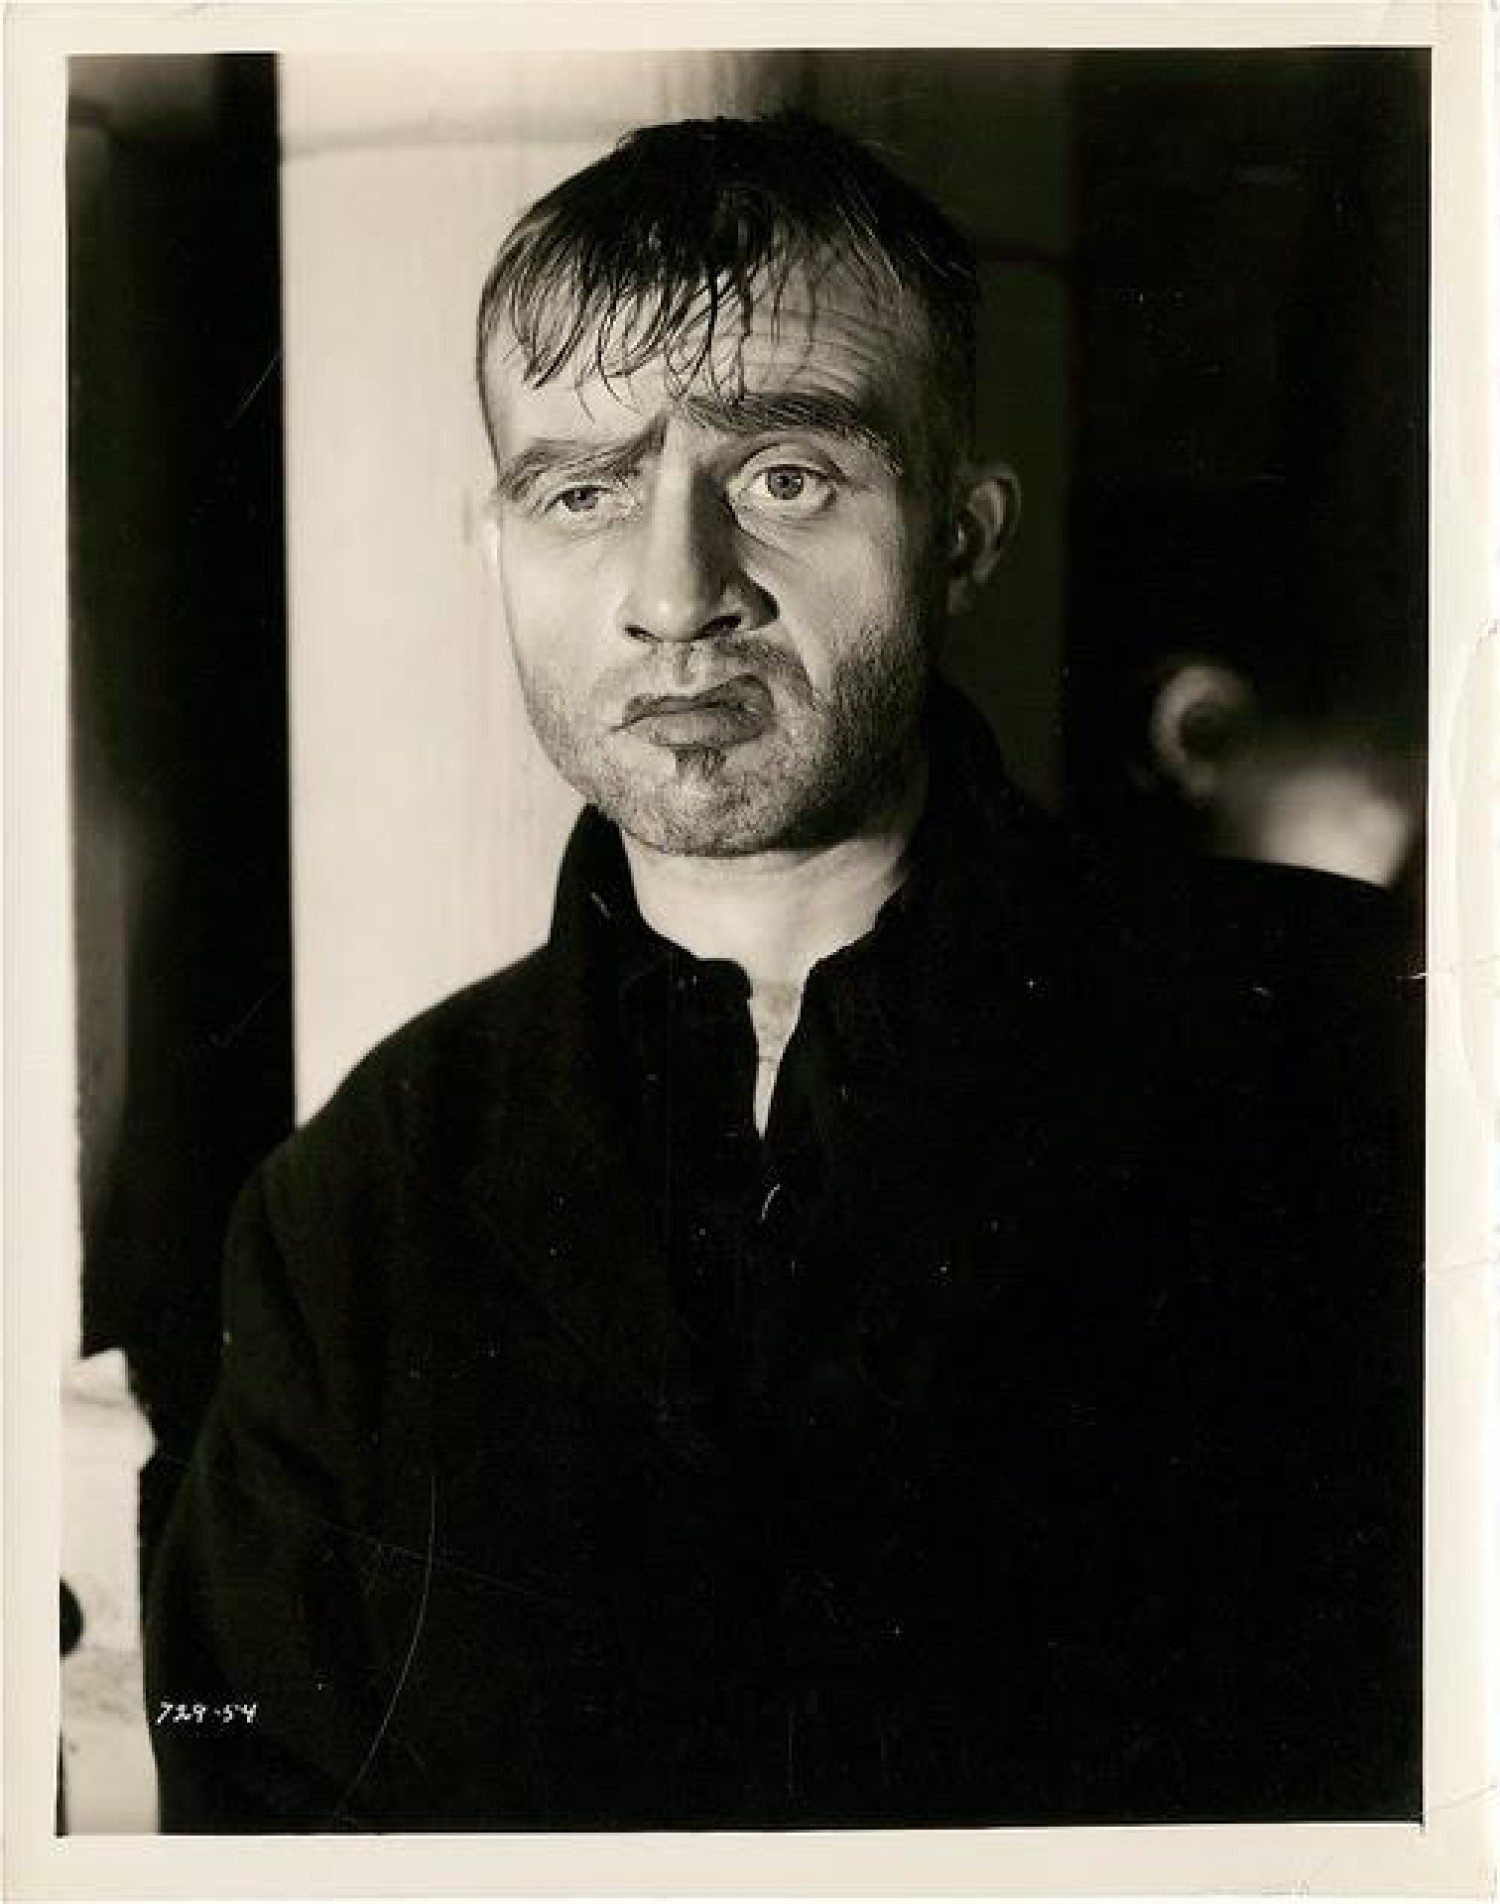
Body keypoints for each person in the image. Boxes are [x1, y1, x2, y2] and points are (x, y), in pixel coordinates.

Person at [143, 112, 1422, 1832]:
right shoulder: (353, 1204)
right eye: (583, 493)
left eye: (786, 477)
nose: (677, 596)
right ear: (498, 547)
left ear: (964, 532)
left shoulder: (1347, 1049)